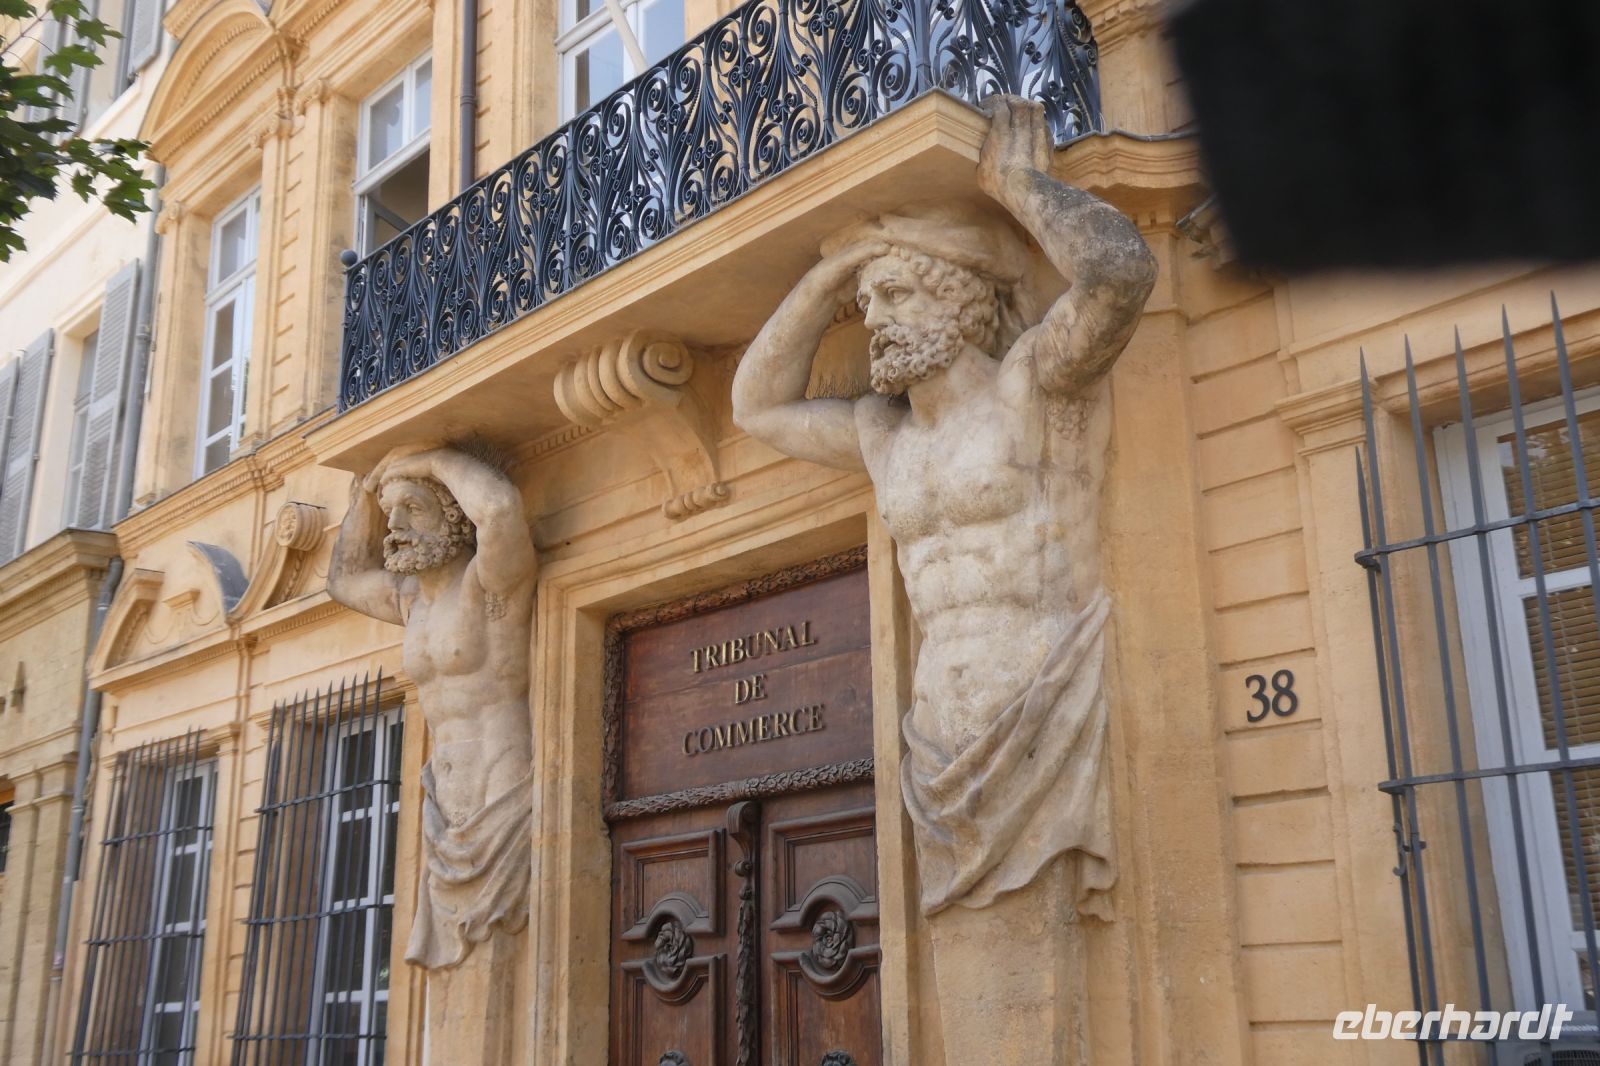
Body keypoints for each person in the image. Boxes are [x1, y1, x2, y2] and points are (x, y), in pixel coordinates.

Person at [732, 94, 1156, 1060]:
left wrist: (1019, 188)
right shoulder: (883, 438)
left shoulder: (1033, 390)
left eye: (898, 295)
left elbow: (1121, 274)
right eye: (870, 304)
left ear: (962, 297)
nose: (874, 319)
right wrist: (832, 271)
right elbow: (756, 405)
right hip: (940, 732)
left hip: (1035, 702)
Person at [328, 441, 537, 969]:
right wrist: (366, 495)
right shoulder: (411, 602)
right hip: (445, 804)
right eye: (391, 512)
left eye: (413, 508)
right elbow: (344, 579)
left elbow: (501, 511)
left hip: (501, 785)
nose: (394, 523)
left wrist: (430, 462)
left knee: (507, 949)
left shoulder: (490, 587)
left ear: (452, 519)